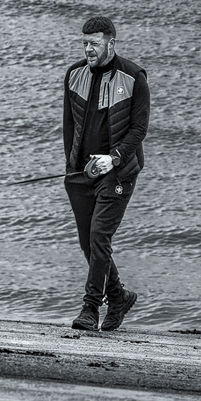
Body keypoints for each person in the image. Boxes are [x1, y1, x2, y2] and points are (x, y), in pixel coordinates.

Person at [63, 16, 149, 331]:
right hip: (81, 174)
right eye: (84, 43)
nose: (88, 49)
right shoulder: (74, 74)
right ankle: (118, 296)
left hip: (118, 172)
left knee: (100, 237)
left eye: (94, 44)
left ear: (111, 43)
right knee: (89, 243)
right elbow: (68, 125)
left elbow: (139, 129)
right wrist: (72, 168)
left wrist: (114, 159)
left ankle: (90, 309)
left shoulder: (134, 77)